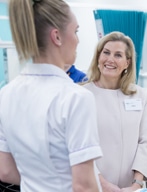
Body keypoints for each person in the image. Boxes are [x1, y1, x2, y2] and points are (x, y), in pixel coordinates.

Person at [0, 0, 103, 191]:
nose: (78, 40)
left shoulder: (5, 95)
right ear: (57, 36)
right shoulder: (75, 98)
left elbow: (5, 170)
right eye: (76, 31)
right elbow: (84, 186)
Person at [83, 31, 147, 192]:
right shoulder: (83, 96)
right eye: (106, 53)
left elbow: (146, 142)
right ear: (98, 57)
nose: (110, 59)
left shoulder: (139, 95)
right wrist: (104, 185)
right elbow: (80, 148)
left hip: (131, 188)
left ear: (127, 63)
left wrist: (136, 185)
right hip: (94, 186)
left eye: (118, 55)